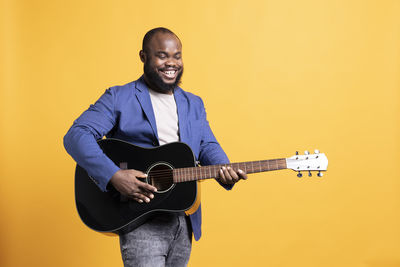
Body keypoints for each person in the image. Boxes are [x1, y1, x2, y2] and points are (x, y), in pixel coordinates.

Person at [64, 27, 247, 267]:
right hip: (140, 219)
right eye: (162, 55)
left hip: (184, 218)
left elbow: (206, 144)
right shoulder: (119, 97)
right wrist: (114, 176)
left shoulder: (194, 103)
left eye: (177, 56)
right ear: (143, 57)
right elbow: (76, 136)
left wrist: (224, 170)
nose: (172, 63)